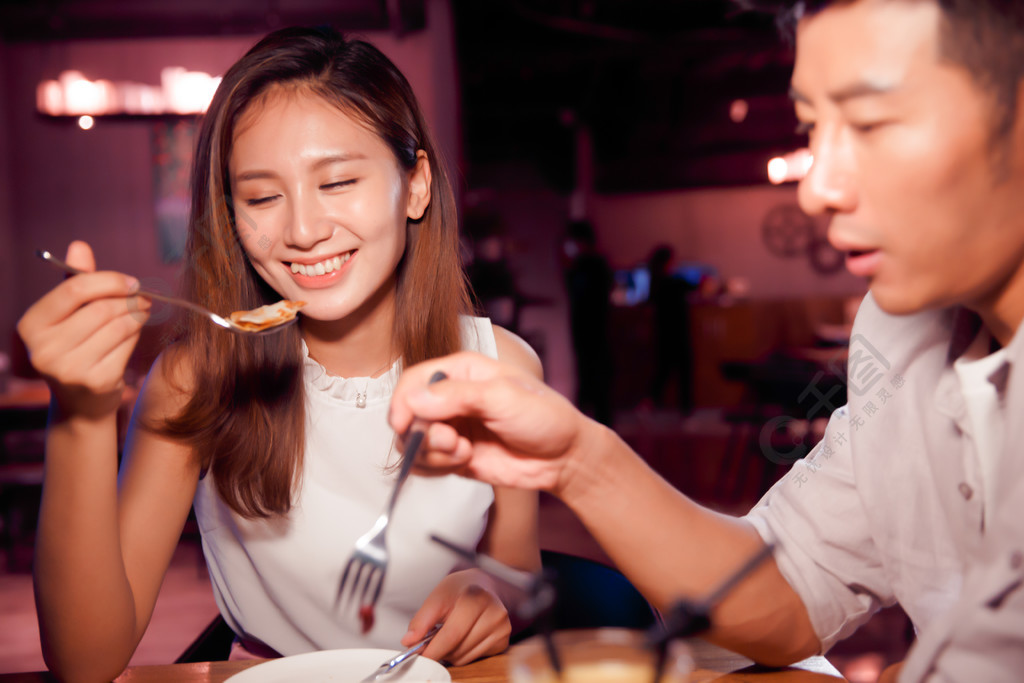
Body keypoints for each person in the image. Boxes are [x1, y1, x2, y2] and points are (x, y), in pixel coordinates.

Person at [389, 1, 1024, 680]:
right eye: (813, 126)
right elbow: (791, 587)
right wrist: (580, 458)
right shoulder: (897, 330)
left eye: (871, 124)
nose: (818, 188)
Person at [17, 27, 541, 683]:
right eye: (263, 196)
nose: (302, 231)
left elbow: (518, 571)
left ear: (415, 186)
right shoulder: (196, 378)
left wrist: (492, 594)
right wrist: (81, 414)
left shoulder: (504, 370)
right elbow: (84, 661)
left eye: (339, 181)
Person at [561, 219, 614, 425]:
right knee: (593, 380)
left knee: (594, 381)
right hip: (593, 330)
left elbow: (580, 295)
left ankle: (591, 426)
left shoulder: (588, 265)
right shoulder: (594, 263)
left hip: (590, 331)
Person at [643, 244, 695, 415]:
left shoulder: (656, 282)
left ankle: (651, 403)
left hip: (664, 334)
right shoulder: (673, 282)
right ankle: (685, 411)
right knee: (683, 373)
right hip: (678, 333)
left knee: (663, 372)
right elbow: (695, 286)